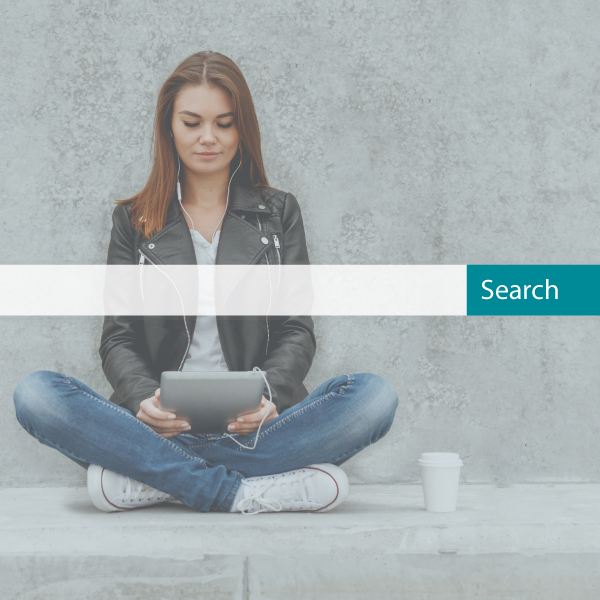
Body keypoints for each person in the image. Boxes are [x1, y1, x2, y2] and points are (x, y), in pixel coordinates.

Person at [12, 51, 399, 515]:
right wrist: (141, 399)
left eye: (224, 123)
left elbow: (296, 328)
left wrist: (268, 395)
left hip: (254, 428)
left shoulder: (279, 214)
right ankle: (236, 491)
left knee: (374, 397)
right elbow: (118, 336)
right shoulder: (133, 221)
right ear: (169, 128)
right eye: (192, 123)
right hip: (158, 426)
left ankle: (156, 478)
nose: (208, 138)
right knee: (36, 394)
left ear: (243, 129)